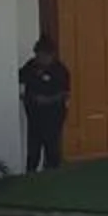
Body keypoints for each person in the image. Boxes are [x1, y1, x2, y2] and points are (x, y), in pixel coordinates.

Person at [19, 34, 72, 172]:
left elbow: (65, 93)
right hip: (34, 116)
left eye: (44, 55)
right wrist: (25, 96)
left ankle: (52, 175)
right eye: (38, 55)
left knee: (52, 150)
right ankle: (30, 177)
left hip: (53, 116)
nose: (41, 58)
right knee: (33, 151)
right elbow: (19, 79)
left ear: (52, 55)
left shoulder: (60, 70)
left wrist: (47, 100)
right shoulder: (30, 66)